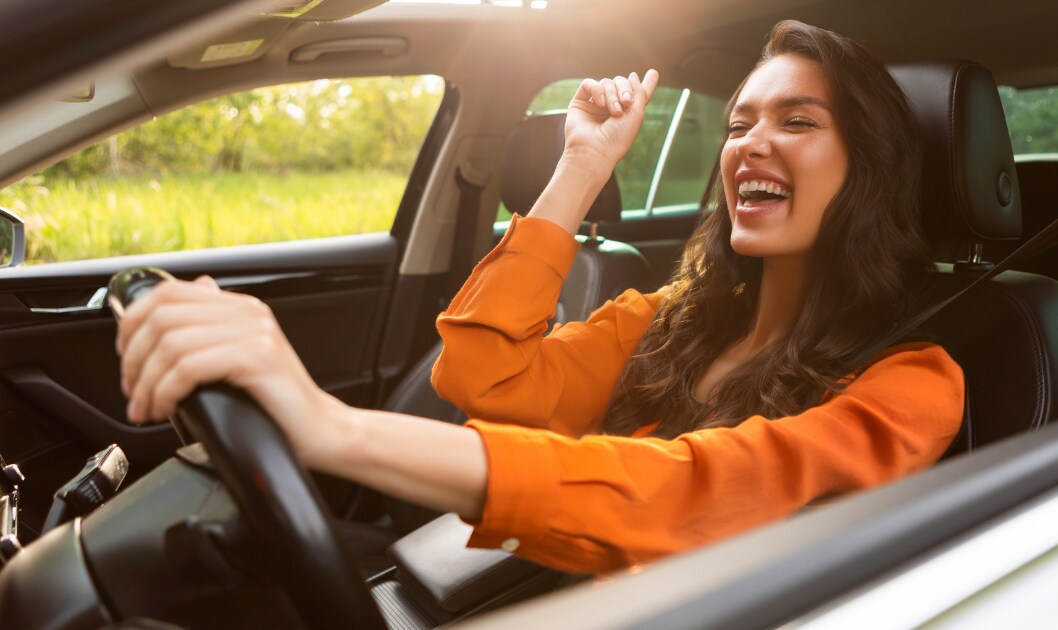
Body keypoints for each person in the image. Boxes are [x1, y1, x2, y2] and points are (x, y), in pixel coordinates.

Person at [116, 20, 964, 574]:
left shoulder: (913, 384)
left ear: (869, 168)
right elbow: (480, 375)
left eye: (798, 122)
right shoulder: (671, 318)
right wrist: (583, 165)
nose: (749, 145)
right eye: (739, 124)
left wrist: (329, 426)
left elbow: (691, 495)